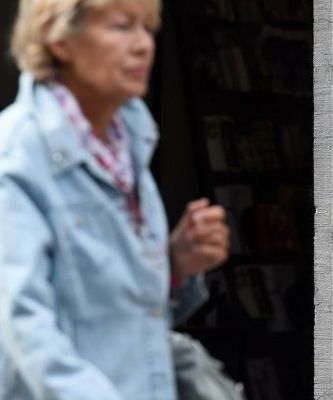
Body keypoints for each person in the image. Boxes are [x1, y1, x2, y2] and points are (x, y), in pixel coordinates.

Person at [0, 0, 233, 399]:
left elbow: (128, 323)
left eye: (148, 28)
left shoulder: (130, 142)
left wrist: (175, 265)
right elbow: (22, 331)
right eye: (122, 26)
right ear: (59, 38)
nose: (143, 45)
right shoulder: (18, 155)